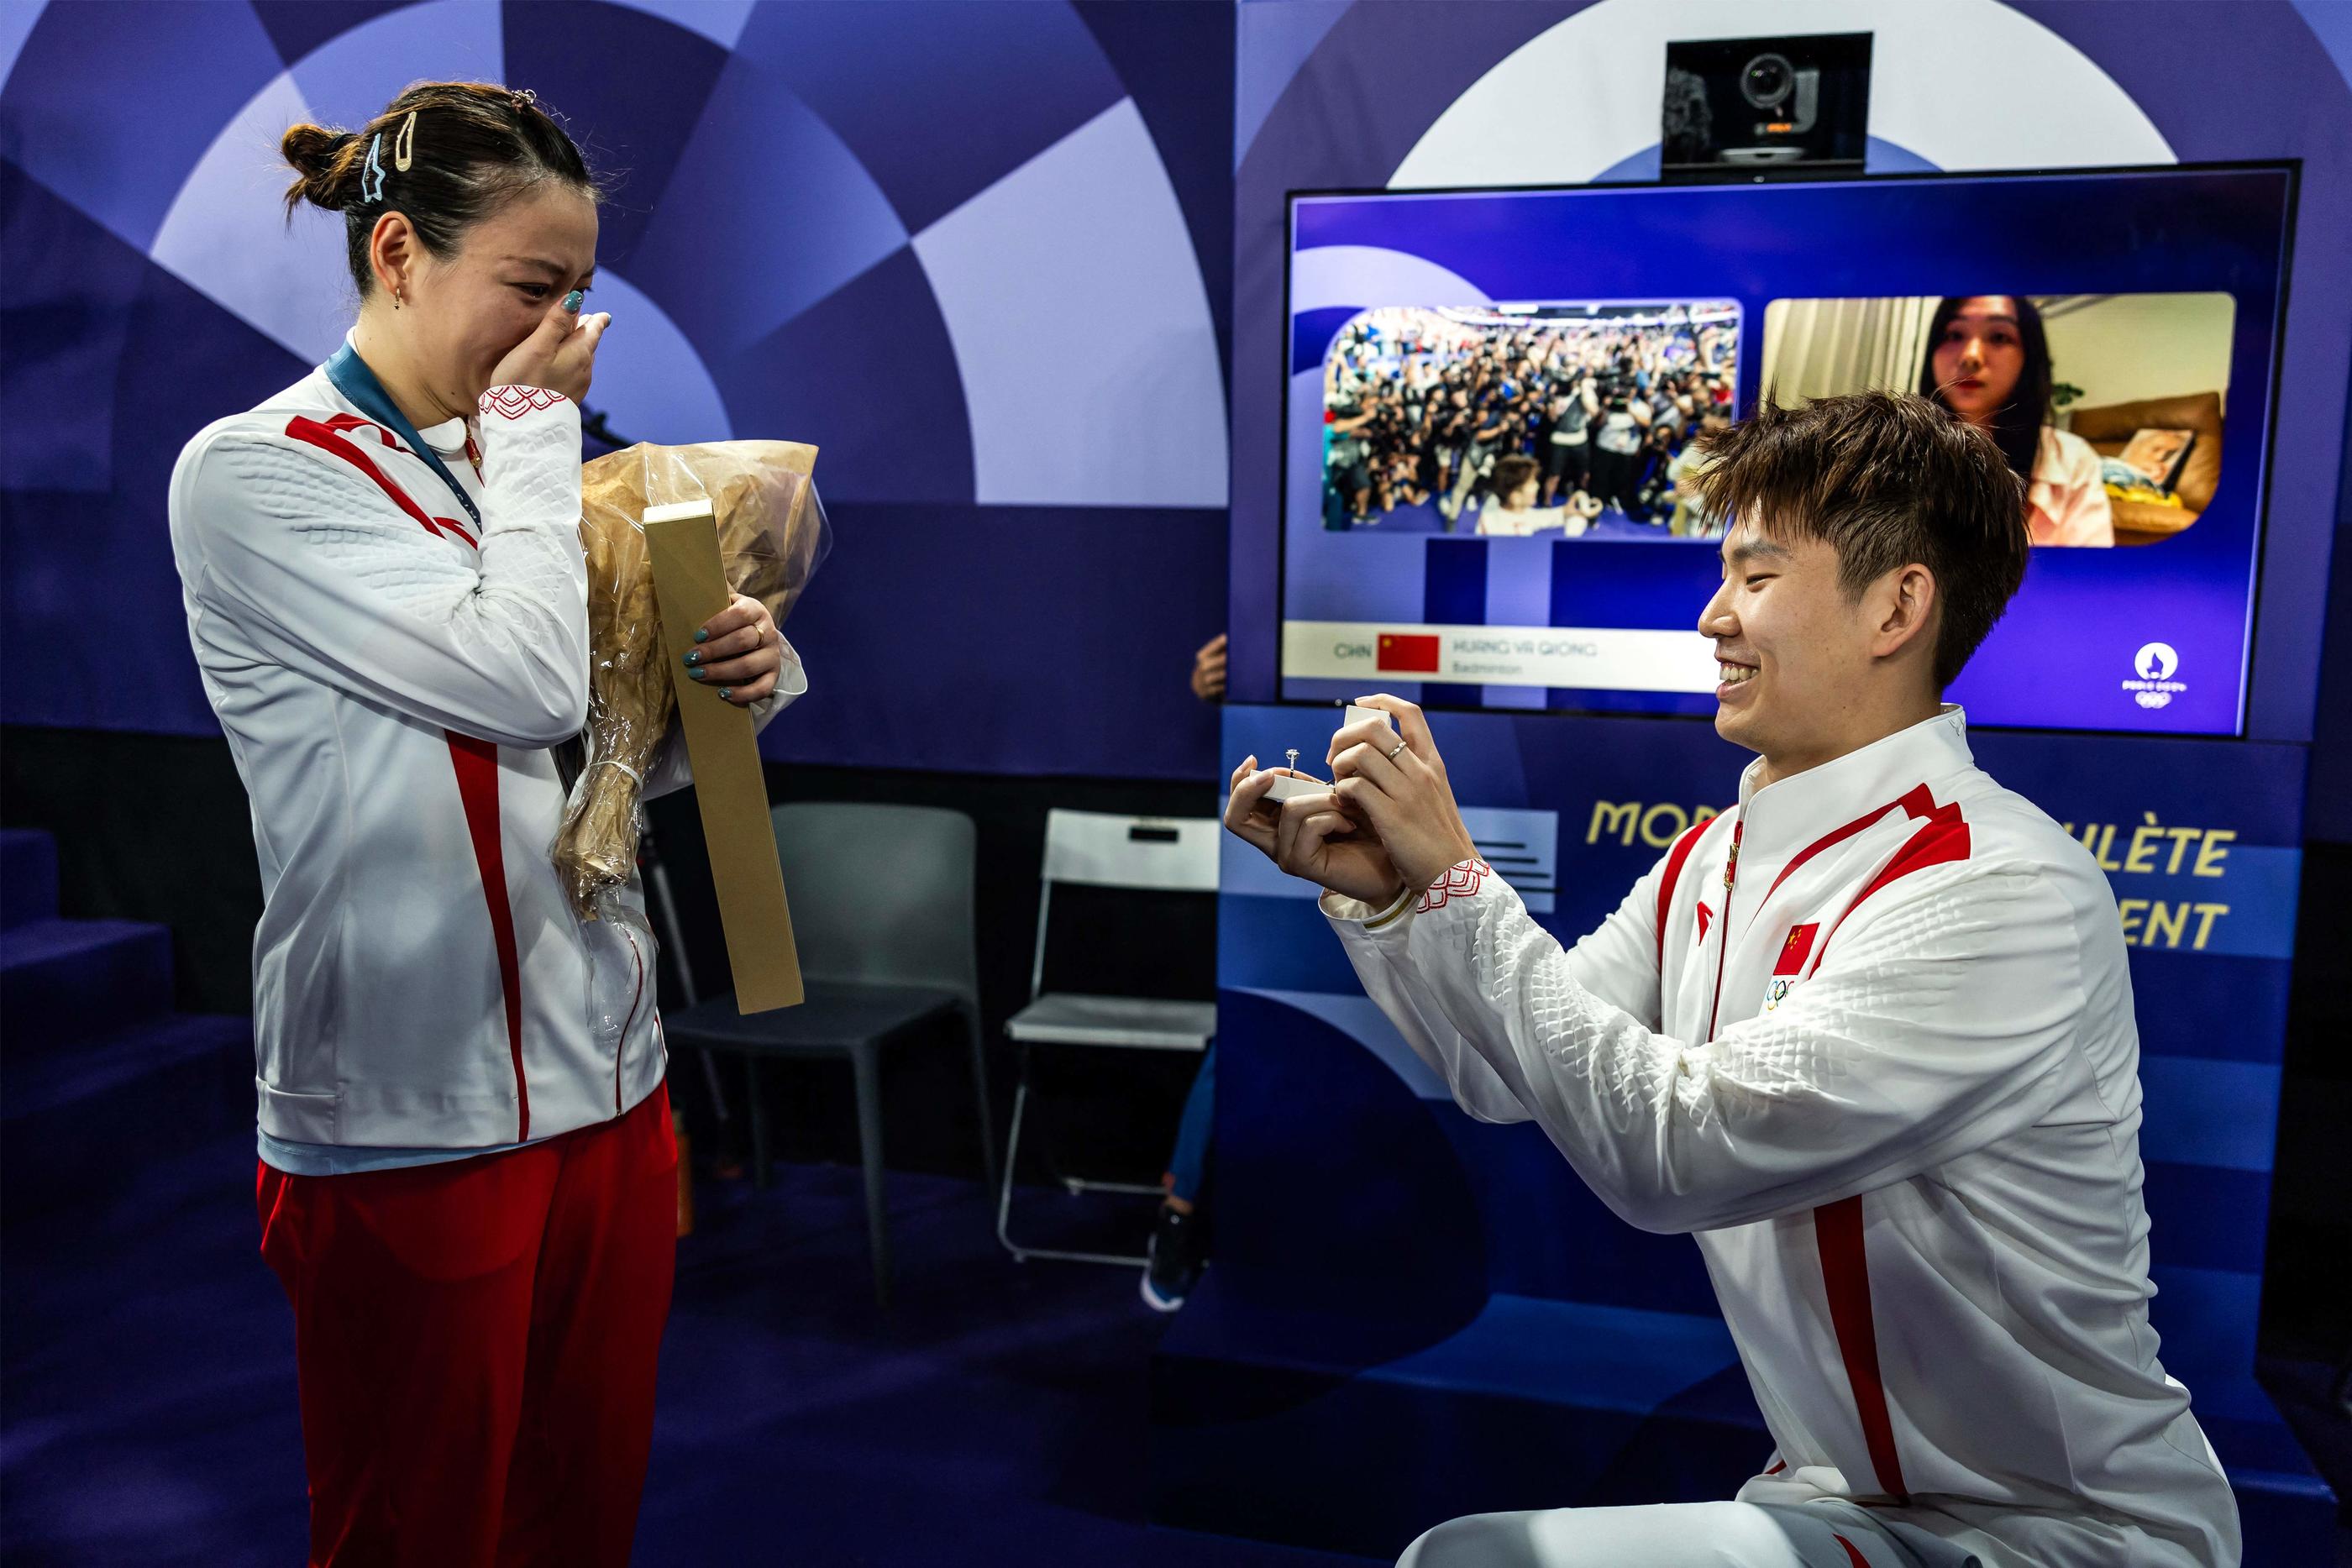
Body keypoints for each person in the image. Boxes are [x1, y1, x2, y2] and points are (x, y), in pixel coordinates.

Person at [1224, 391, 2237, 1567]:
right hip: (1837, 1503)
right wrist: (1394, 900)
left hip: (2069, 1539)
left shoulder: (2003, 888)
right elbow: (1505, 1075)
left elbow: (1677, 1155)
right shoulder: (1718, 851)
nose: (1714, 616)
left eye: (1756, 576)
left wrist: (1456, 881)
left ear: (1898, 605)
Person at [166, 81, 804, 1565]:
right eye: (530, 289)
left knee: (578, 1523)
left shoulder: (516, 471)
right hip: (407, 1119)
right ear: (397, 255)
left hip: (612, 1092)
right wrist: (533, 427)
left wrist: (732, 687)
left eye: (577, 296)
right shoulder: (257, 472)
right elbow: (519, 686)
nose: (559, 334)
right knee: (417, 1534)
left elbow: (593, 771)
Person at [1919, 295, 2113, 547]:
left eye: (1999, 337)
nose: (1971, 356)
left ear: (2029, 357)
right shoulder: (1896, 452)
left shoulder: (2072, 460)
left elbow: (2090, 578)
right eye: (1955, 335)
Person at [1473, 454, 1575, 537]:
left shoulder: (1498, 502)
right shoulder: (1510, 534)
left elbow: (1538, 516)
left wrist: (1565, 511)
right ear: (1515, 497)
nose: (1537, 486)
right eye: (1531, 483)